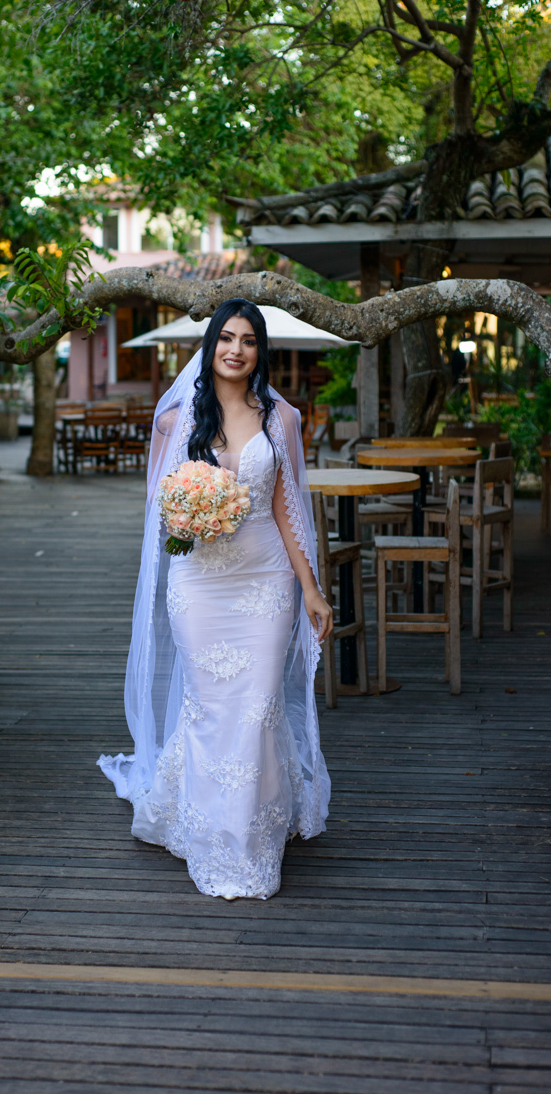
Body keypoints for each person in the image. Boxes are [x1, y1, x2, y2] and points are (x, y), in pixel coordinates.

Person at [98, 299, 333, 899]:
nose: (236, 350)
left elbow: (289, 513)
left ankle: (248, 837)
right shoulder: (176, 421)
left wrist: (311, 588)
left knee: (255, 706)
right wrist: (191, 516)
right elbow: (158, 514)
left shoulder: (282, 419)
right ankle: (207, 825)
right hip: (199, 584)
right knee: (209, 705)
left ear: (261, 350)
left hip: (266, 579)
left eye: (248, 340)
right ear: (210, 346)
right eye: (226, 338)